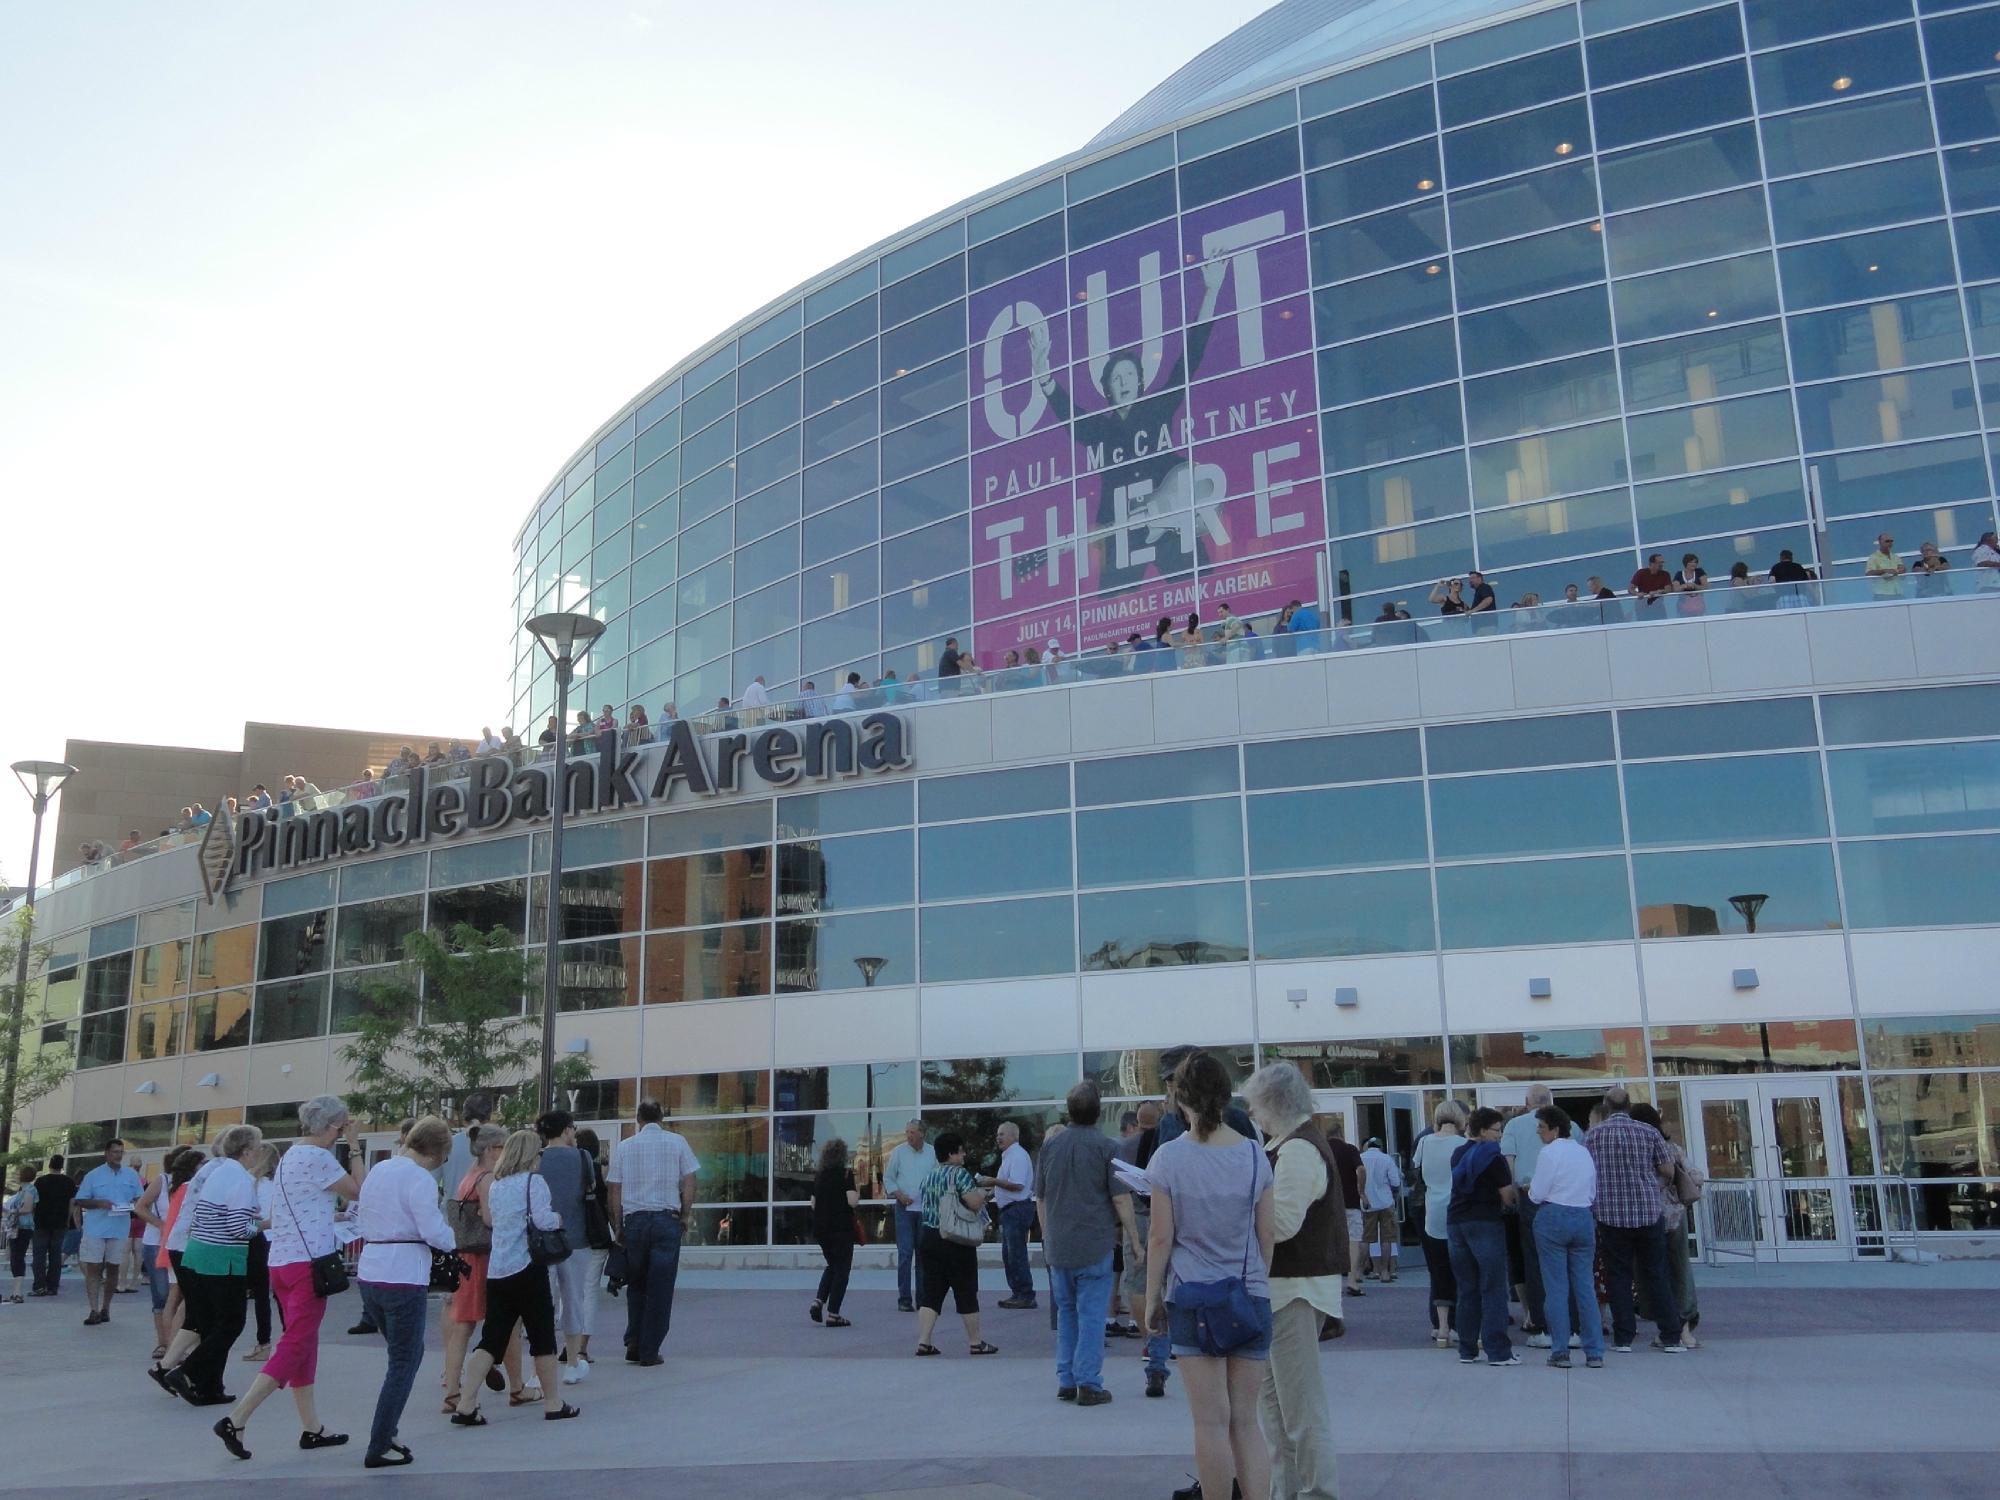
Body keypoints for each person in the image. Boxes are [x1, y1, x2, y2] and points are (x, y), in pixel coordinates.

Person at [1145, 1050, 1275, 1500]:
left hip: (1192, 1297)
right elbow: (1266, 1234)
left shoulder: (1168, 1158)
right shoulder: (1257, 1156)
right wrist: (1258, 1282)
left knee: (1210, 1422)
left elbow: (1161, 1237)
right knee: (1246, 1422)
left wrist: (1151, 1298)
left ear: (1181, 1099)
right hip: (1249, 1295)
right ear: (1225, 1097)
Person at [211, 1097, 360, 1460]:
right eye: (341, 1128)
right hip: (309, 1264)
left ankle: (312, 1428)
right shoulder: (321, 1158)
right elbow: (360, 1191)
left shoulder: (291, 1155)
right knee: (295, 1344)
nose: (341, 1134)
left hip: (282, 1261)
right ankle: (237, 1418)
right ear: (330, 1127)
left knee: (303, 1344)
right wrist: (355, 1147)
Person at [1242, 1063, 1345, 1499]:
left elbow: (1282, 1222)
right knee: (1277, 1413)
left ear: (1273, 1104)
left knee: (1300, 1412)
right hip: (1282, 1291)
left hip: (1295, 1291)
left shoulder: (1299, 1150)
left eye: (1256, 1107)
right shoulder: (1289, 1144)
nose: (1254, 1116)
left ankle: (1318, 1493)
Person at [450, 1130, 579, 1426]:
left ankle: (466, 1403)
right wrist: (559, 1218)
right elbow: (544, 1220)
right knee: (542, 1336)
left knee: (491, 1338)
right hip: (528, 1268)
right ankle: (553, 1402)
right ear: (531, 1154)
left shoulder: (496, 1185)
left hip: (498, 1270)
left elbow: (493, 1221)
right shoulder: (534, 1182)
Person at [354, 1115, 457, 1468]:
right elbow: (432, 1229)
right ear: (437, 1151)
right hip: (404, 1273)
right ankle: (380, 1441)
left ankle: (388, 1434)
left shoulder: (380, 1171)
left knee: (398, 1356)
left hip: (370, 1271)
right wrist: (452, 1241)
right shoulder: (420, 1178)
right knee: (405, 1361)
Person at [1036, 1082, 1139, 1404]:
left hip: (1059, 1246)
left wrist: (1047, 1235)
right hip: (1094, 1245)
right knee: (1092, 1315)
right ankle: (1089, 1383)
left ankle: (1066, 1378)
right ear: (1097, 1111)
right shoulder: (1107, 1148)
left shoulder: (1050, 1147)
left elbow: (1040, 1198)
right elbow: (1121, 1199)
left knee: (1067, 1313)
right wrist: (1136, 1240)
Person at [167, 1124, 268, 1405]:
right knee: (231, 1323)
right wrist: (262, 1224)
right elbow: (238, 1228)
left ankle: (208, 1386)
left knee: (212, 1324)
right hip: (222, 1258)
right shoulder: (241, 1179)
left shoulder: (218, 1171)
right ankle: (187, 1371)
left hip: (199, 1252)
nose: (260, 1152)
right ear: (247, 1151)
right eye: (258, 1147)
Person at [1584, 1086, 1685, 1354]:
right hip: (1648, 1212)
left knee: (1618, 1275)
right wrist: (1653, 1184)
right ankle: (1671, 1335)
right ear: (1629, 1105)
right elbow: (1667, 1169)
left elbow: (1586, 1172)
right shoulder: (1648, 1132)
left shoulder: (1593, 1136)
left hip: (1610, 1214)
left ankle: (1623, 1337)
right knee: (1656, 1274)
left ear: (1605, 1106)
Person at [607, 1099, 700, 1366]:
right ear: (662, 1117)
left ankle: (634, 1340)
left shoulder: (625, 1147)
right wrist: (684, 1214)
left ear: (638, 1119)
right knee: (660, 1287)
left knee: (636, 1283)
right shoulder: (677, 1142)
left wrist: (619, 1225)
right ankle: (650, 1349)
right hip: (665, 1220)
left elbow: (615, 1187)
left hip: (634, 1221)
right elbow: (691, 1179)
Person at [442, 1124, 514, 1415]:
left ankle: (455, 1387)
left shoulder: (468, 1175)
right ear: (489, 1149)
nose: (504, 1152)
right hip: (480, 1257)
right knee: (467, 1325)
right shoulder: (486, 1178)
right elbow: (489, 1219)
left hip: (466, 1257)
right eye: (501, 1147)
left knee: (464, 1324)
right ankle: (455, 1391)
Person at [1527, 1105, 1604, 1368]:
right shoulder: (1583, 1152)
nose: (1538, 1131)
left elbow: (1537, 1192)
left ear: (1554, 1129)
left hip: (1554, 1216)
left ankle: (1560, 1350)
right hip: (1582, 1216)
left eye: (1541, 1127)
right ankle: (1594, 1352)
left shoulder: (1548, 1153)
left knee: (1556, 1288)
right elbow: (1592, 1190)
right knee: (1585, 1287)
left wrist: (1530, 1192)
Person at [913, 1132, 996, 1358]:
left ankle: (924, 1341)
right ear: (951, 1153)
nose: (964, 1154)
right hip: (955, 1240)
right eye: (961, 1150)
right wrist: (986, 1194)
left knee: (931, 1292)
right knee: (966, 1290)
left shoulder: (929, 1176)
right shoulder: (960, 1175)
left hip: (929, 1238)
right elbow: (973, 1202)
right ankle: (975, 1342)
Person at [1446, 1107, 1518, 1366]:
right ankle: (1498, 1351)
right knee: (1494, 1287)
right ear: (1483, 1130)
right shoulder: (1493, 1157)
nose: (1499, 1136)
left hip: (1456, 1222)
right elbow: (1506, 1195)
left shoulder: (1457, 1154)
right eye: (1497, 1130)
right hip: (1485, 1222)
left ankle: (1467, 1349)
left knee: (1467, 1288)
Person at [535, 1110, 600, 1382]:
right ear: (566, 1131)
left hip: (542, 1240)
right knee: (573, 1300)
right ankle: (572, 1363)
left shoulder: (536, 1158)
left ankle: (538, 1370)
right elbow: (591, 1188)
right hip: (575, 1237)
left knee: (542, 1304)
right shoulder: (583, 1157)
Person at [1631, 1103, 1701, 1349]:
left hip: (1646, 1218)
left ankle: (1665, 1325)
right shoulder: (1673, 1149)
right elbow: (1696, 1177)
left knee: (1652, 1274)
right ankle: (1683, 1326)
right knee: (1679, 1271)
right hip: (1675, 1217)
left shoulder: (1636, 1151)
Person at [1500, 1085, 1554, 1348]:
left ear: (1526, 1101)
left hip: (1528, 1195)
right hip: (1562, 1199)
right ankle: (1569, 1321)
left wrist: (1511, 1195)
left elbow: (1508, 1160)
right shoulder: (1569, 1125)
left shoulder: (1514, 1126)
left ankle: (1537, 1319)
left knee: (1531, 1260)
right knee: (1562, 1260)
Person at [1412, 1101, 1467, 1347]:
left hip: (1432, 1212)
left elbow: (1416, 1172)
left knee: (1438, 1270)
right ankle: (1461, 1324)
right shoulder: (1464, 1145)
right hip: (1457, 1211)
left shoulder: (1424, 1142)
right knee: (1463, 1271)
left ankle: (1442, 1327)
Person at [74, 1136, 143, 1325]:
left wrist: (134, 1205)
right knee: (93, 1267)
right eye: (114, 1152)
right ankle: (93, 1309)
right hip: (96, 1228)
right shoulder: (93, 1175)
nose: (118, 1156)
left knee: (114, 1268)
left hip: (119, 1228)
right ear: (106, 1153)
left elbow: (140, 1198)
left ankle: (106, 1307)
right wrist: (98, 1203)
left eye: (120, 1152)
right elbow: (81, 1200)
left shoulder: (131, 1175)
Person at [883, 1119, 936, 1313]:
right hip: (904, 1209)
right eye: (907, 1132)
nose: (909, 1136)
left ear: (922, 1133)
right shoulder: (899, 1152)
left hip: (925, 1209)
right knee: (905, 1253)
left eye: (912, 1132)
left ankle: (923, 1299)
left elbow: (939, 1177)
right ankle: (904, 1298)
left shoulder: (932, 1152)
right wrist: (899, 1194)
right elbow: (888, 1178)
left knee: (923, 1254)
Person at [808, 1137, 859, 1328]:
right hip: (841, 1229)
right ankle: (834, 1313)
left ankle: (819, 1300)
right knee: (842, 1270)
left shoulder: (819, 1176)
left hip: (821, 1230)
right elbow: (852, 1201)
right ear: (843, 1155)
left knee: (832, 1265)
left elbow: (813, 1203)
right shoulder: (846, 1174)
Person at [992, 1120, 1038, 1310]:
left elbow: (1017, 1184)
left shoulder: (1017, 1155)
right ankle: (1018, 1292)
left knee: (1016, 1253)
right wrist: (992, 1191)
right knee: (1009, 1254)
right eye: (997, 1134)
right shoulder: (1009, 1156)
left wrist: (992, 1181)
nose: (998, 1138)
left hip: (1017, 1209)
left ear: (1013, 1136)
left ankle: (1025, 1294)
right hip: (1010, 1210)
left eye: (1002, 1134)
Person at [240, 1143, 280, 1360]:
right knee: (272, 1294)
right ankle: (272, 1342)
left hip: (257, 1237)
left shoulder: (252, 1182)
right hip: (276, 1239)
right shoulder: (279, 1183)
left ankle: (263, 1341)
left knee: (257, 1292)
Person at [1322, 1118, 1365, 1304]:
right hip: (1351, 1202)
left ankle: (1331, 1283)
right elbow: (1361, 1170)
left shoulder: (1321, 1150)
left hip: (1328, 1204)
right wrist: (1361, 1191)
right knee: (1353, 1240)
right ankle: (1352, 1280)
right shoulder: (1350, 1150)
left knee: (1330, 1242)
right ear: (1341, 1133)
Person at [29, 1152, 75, 1296]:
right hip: (59, 1222)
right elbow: (72, 1203)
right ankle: (52, 1286)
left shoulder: (40, 1182)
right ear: (62, 1166)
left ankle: (39, 1286)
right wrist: (67, 1219)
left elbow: (34, 1203)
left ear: (50, 1165)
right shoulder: (69, 1182)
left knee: (39, 1256)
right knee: (55, 1256)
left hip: (41, 1222)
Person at [1357, 1136, 1402, 1283]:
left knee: (1365, 1239)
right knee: (1387, 1239)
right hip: (1385, 1203)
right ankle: (1384, 1272)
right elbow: (1395, 1181)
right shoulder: (1387, 1159)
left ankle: (1358, 1272)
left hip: (1367, 1203)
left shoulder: (1360, 1158)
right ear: (1380, 1146)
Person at [5, 1166, 35, 1302]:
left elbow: (27, 1208)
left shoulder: (30, 1190)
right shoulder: (22, 1190)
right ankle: (16, 1291)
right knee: (14, 1258)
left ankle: (17, 1292)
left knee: (18, 1257)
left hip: (23, 1227)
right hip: (16, 1227)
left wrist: (12, 1211)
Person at [1865, 532, 1906, 598]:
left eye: (1891, 541)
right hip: (1882, 594)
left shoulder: (1896, 557)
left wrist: (1903, 570)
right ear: (1880, 543)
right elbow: (1868, 574)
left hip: (1898, 592)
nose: (1890, 543)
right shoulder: (1873, 557)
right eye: (1887, 541)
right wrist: (1884, 571)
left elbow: (1903, 576)